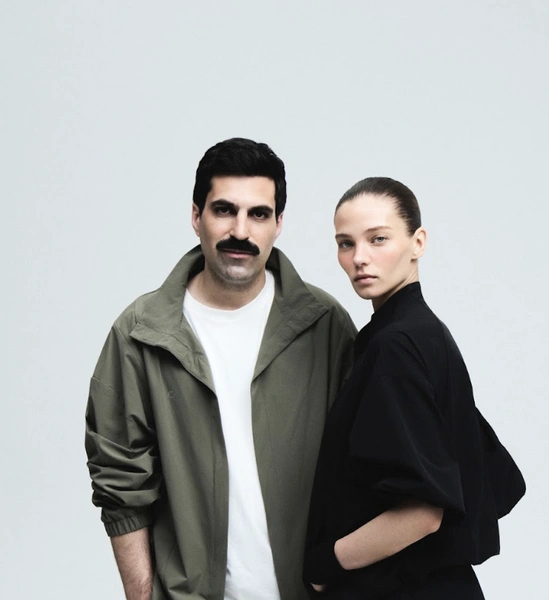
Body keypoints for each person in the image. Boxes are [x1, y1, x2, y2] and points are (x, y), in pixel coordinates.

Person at [85, 138, 356, 600]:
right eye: (224, 210)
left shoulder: (325, 325)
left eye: (259, 214)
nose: (240, 231)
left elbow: (364, 466)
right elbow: (119, 480)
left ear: (279, 224)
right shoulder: (140, 333)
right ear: (197, 216)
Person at [303, 177, 525, 599]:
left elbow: (423, 511)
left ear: (417, 242)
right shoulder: (421, 333)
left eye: (378, 239)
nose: (359, 258)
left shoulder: (397, 345)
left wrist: (322, 565)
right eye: (346, 243)